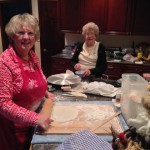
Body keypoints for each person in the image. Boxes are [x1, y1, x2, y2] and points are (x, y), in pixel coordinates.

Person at [0, 13, 54, 150]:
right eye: (20, 32)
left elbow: (36, 82)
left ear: (35, 38)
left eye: (30, 33)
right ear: (12, 36)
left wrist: (45, 93)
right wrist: (36, 118)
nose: (26, 37)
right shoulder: (4, 63)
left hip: (32, 125)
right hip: (14, 130)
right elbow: (3, 104)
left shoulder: (32, 57)